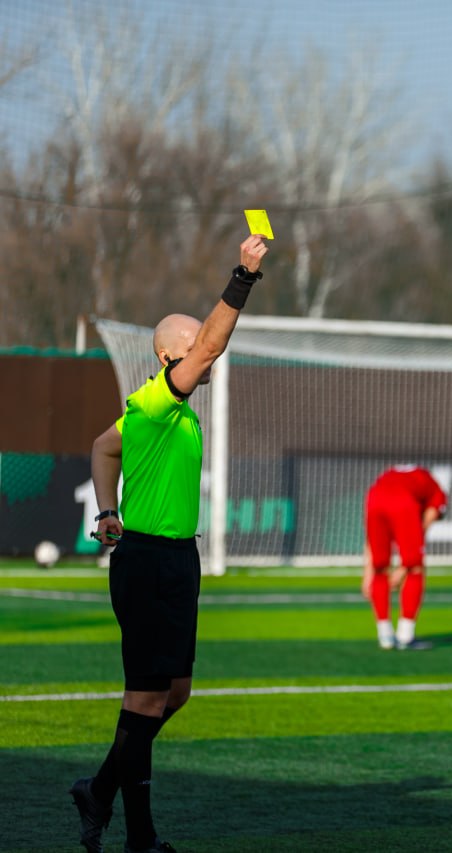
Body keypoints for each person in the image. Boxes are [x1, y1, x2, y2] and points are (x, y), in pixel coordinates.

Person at [71, 236, 269, 853]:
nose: (204, 354)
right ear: (167, 356)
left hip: (178, 559)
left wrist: (107, 510)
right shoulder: (159, 399)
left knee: (170, 696)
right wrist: (243, 276)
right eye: (190, 346)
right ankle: (129, 823)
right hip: (149, 562)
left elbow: (103, 447)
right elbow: (212, 342)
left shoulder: (166, 415)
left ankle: (104, 794)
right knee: (147, 699)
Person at [362, 463, 448, 650]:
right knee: (416, 568)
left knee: (379, 568)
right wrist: (405, 565)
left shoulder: (390, 475)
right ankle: (405, 636)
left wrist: (367, 574)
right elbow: (425, 524)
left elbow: (370, 540)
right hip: (402, 503)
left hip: (373, 498)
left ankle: (385, 635)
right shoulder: (434, 488)